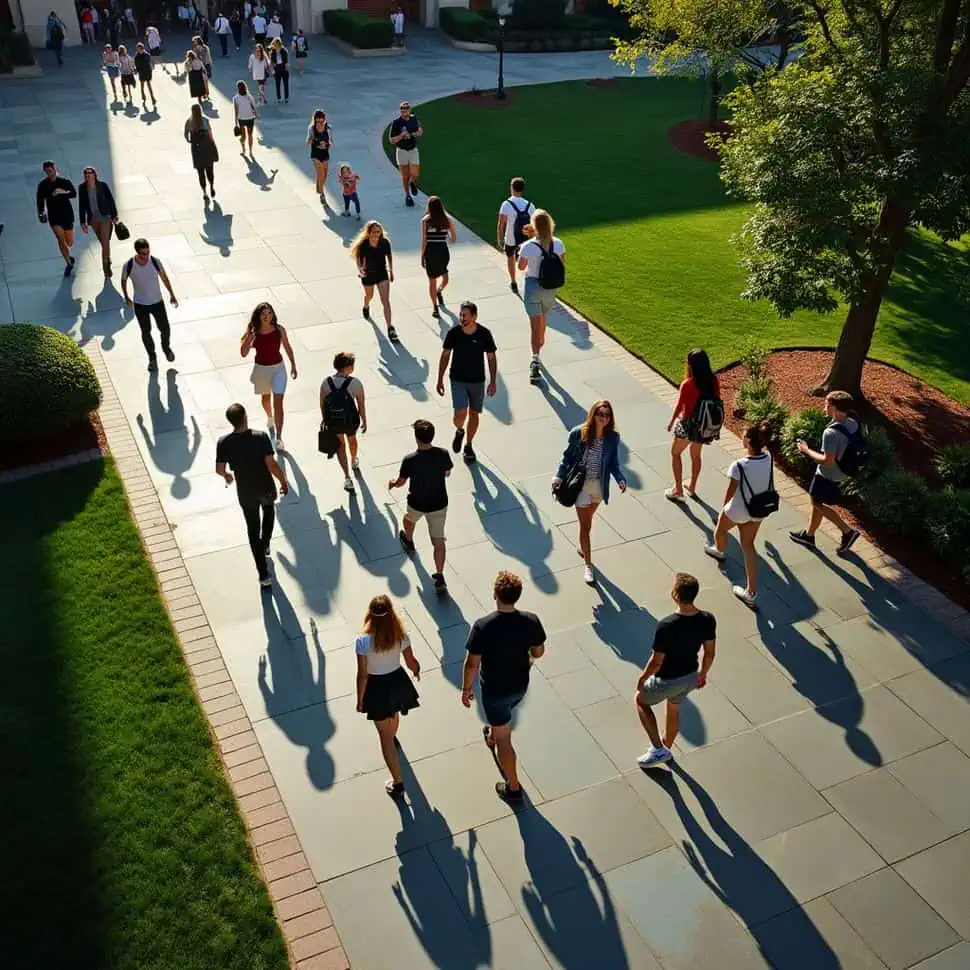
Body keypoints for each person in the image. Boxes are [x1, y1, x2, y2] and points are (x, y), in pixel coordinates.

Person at [461, 570, 546, 801]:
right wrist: (528, 658)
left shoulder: (482, 626)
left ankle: (513, 786)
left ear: (495, 595)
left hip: (494, 691)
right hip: (519, 686)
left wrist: (467, 688)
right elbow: (538, 651)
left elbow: (471, 665)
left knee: (504, 738)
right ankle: (493, 731)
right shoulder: (531, 621)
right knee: (504, 714)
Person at [635, 572, 716, 769]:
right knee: (673, 707)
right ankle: (667, 747)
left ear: (675, 594)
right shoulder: (707, 619)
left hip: (667, 679)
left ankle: (658, 749)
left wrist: (643, 677)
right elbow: (709, 653)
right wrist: (703, 673)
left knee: (640, 701)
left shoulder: (666, 625)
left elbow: (656, 661)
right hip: (690, 677)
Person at [552, 400, 628, 585]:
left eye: (607, 415)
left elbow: (613, 464)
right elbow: (567, 457)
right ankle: (588, 565)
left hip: (599, 487)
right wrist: (558, 477)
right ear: (593, 414)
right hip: (581, 486)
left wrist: (620, 478)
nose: (604, 418)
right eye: (600, 414)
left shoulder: (612, 438)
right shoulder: (579, 433)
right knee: (585, 526)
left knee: (588, 521)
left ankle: (582, 545)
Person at [216, 403, 290, 588]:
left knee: (252, 529)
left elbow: (219, 469)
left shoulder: (224, 442)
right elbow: (271, 464)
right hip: (265, 486)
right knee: (269, 512)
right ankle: (265, 543)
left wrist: (227, 475)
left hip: (245, 491)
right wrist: (283, 481)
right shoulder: (260, 437)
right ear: (245, 417)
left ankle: (263, 574)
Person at [355, 595, 421, 797]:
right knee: (394, 714)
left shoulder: (363, 641)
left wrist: (360, 699)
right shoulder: (400, 635)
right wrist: (416, 670)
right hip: (397, 682)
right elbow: (411, 661)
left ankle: (398, 782)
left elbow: (362, 674)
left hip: (376, 687)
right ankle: (393, 737)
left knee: (384, 736)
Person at [703, 421, 775, 606]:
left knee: (720, 529)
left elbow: (731, 492)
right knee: (748, 545)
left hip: (738, 510)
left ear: (748, 440)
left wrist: (723, 509)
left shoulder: (739, 465)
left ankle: (718, 550)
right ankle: (751, 591)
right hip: (759, 510)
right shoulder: (768, 457)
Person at [790, 390, 862, 554]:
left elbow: (826, 460)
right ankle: (809, 535)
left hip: (827, 474)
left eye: (827, 404)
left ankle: (847, 531)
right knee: (818, 502)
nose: (825, 407)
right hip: (843, 471)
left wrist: (806, 450)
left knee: (816, 503)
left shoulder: (830, 433)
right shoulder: (852, 423)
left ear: (835, 408)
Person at [388, 419, 453, 593]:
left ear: (416, 438)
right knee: (438, 541)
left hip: (417, 502)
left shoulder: (410, 460)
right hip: (439, 503)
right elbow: (447, 473)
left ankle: (409, 540)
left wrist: (393, 483)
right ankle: (439, 575)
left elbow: (401, 482)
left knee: (409, 520)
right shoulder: (443, 454)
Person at [436, 301, 497, 466]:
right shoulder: (453, 333)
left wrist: (493, 381)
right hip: (458, 379)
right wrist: (440, 378)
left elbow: (491, 357)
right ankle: (459, 430)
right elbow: (445, 355)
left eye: (465, 315)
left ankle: (468, 445)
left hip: (477, 381)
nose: (462, 318)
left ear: (474, 317)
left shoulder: (484, 334)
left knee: (474, 414)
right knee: (460, 414)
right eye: (461, 315)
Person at [240, 301, 298, 451]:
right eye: (263, 314)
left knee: (278, 401)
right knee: (266, 398)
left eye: (269, 313)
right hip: (261, 370)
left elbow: (287, 346)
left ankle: (279, 438)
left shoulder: (279, 330)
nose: (267, 316)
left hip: (278, 369)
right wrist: (249, 338)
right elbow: (243, 353)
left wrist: (293, 364)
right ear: (258, 317)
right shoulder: (254, 333)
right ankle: (270, 417)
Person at [665, 348, 721, 502]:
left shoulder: (688, 384)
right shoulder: (713, 381)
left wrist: (671, 422)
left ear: (691, 365)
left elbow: (680, 406)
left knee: (675, 453)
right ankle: (692, 486)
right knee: (696, 456)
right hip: (704, 426)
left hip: (688, 426)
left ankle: (678, 490)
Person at [518, 209, 565, 383]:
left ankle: (535, 359)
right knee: (543, 318)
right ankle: (541, 342)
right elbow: (562, 265)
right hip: (550, 289)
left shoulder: (528, 246)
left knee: (534, 326)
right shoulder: (558, 244)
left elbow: (521, 267)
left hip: (533, 287)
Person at [120, 238, 179, 372]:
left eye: (147, 253)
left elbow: (164, 278)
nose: (146, 256)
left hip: (157, 302)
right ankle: (152, 359)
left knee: (165, 328)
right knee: (146, 332)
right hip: (140, 304)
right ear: (137, 253)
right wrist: (126, 296)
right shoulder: (129, 265)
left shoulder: (155, 262)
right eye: (143, 254)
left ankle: (166, 348)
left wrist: (172, 294)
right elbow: (123, 280)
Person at [321, 351, 367, 493]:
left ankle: (347, 477)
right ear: (347, 367)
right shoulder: (355, 383)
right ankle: (354, 459)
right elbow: (361, 404)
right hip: (350, 420)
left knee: (340, 447)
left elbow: (322, 403)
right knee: (352, 440)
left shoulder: (326, 382)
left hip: (334, 421)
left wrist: (325, 420)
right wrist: (364, 420)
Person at [351, 220, 396, 341]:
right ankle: (366, 305)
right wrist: (360, 270)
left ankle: (390, 327)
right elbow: (359, 259)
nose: (377, 234)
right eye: (374, 232)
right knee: (369, 296)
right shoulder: (363, 245)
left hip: (382, 273)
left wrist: (391, 270)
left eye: (379, 231)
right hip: (368, 275)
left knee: (385, 300)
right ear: (369, 232)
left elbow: (389, 256)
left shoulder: (385, 243)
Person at [36, 160, 77, 277]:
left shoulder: (64, 182)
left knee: (69, 242)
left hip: (67, 214)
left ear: (55, 169)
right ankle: (68, 263)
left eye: (51, 170)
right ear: (45, 172)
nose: (50, 173)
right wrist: (41, 213)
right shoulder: (43, 185)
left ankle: (69, 257)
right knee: (60, 239)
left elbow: (73, 194)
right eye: (47, 171)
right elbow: (40, 200)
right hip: (54, 216)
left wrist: (62, 192)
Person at [77, 166, 119, 278]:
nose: (88, 175)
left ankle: (106, 268)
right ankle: (107, 259)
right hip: (93, 220)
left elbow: (110, 200)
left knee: (105, 242)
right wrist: (83, 222)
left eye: (90, 173)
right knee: (104, 242)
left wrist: (114, 215)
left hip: (105, 217)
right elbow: (81, 205)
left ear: (95, 174)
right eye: (85, 174)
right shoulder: (82, 188)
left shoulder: (102, 186)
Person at [497, 177, 534, 295]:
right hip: (526, 238)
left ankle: (513, 281)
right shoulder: (530, 205)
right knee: (527, 259)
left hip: (510, 238)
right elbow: (534, 225)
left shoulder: (506, 204)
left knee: (510, 258)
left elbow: (501, 223)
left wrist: (499, 238)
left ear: (512, 188)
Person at [421, 196, 456, 318]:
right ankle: (435, 304)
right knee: (441, 279)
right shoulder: (447, 219)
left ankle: (436, 297)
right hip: (442, 251)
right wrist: (445, 236)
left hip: (431, 251)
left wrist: (422, 256)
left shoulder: (426, 220)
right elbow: (453, 238)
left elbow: (424, 240)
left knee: (435, 279)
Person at [388, 101, 422, 207]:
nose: (404, 111)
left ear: (409, 110)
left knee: (415, 174)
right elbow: (392, 140)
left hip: (412, 149)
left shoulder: (414, 119)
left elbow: (420, 131)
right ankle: (407, 196)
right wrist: (401, 135)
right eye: (402, 109)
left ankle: (412, 183)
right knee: (405, 176)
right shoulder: (396, 123)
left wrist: (413, 133)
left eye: (406, 109)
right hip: (402, 150)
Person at [184, 103, 219, 202]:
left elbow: (186, 135)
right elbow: (210, 134)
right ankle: (211, 185)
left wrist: (190, 141)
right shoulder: (205, 121)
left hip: (196, 149)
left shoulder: (189, 122)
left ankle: (204, 192)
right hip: (207, 146)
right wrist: (213, 144)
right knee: (210, 169)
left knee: (200, 172)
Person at [306, 109, 331, 201]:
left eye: (322, 121)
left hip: (325, 153)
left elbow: (331, 142)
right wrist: (312, 139)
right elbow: (307, 143)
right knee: (320, 172)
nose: (320, 123)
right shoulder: (311, 129)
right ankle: (322, 194)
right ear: (315, 120)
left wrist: (327, 144)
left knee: (324, 175)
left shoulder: (328, 128)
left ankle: (319, 187)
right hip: (315, 154)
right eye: (318, 121)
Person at [232, 80, 259, 155]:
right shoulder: (249, 97)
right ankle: (250, 151)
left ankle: (243, 149)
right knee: (250, 135)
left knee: (243, 136)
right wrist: (256, 114)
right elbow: (254, 107)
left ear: (238, 88)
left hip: (241, 119)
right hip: (250, 118)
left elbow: (236, 111)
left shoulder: (235, 98)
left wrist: (236, 122)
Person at [134, 42, 157, 107]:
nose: (139, 50)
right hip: (141, 72)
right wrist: (136, 70)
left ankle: (152, 98)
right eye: (138, 49)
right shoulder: (136, 57)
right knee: (142, 84)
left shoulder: (147, 55)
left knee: (149, 84)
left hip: (147, 71)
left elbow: (150, 63)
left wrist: (152, 66)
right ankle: (142, 93)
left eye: (140, 49)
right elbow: (136, 65)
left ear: (142, 48)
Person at [269, 37, 289, 103]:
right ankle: (279, 98)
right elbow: (271, 62)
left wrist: (286, 69)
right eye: (275, 44)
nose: (276, 45)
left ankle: (286, 97)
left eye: (277, 44)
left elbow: (286, 61)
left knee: (286, 84)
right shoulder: (272, 52)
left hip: (283, 68)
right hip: (277, 69)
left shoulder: (284, 51)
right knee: (277, 84)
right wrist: (272, 70)